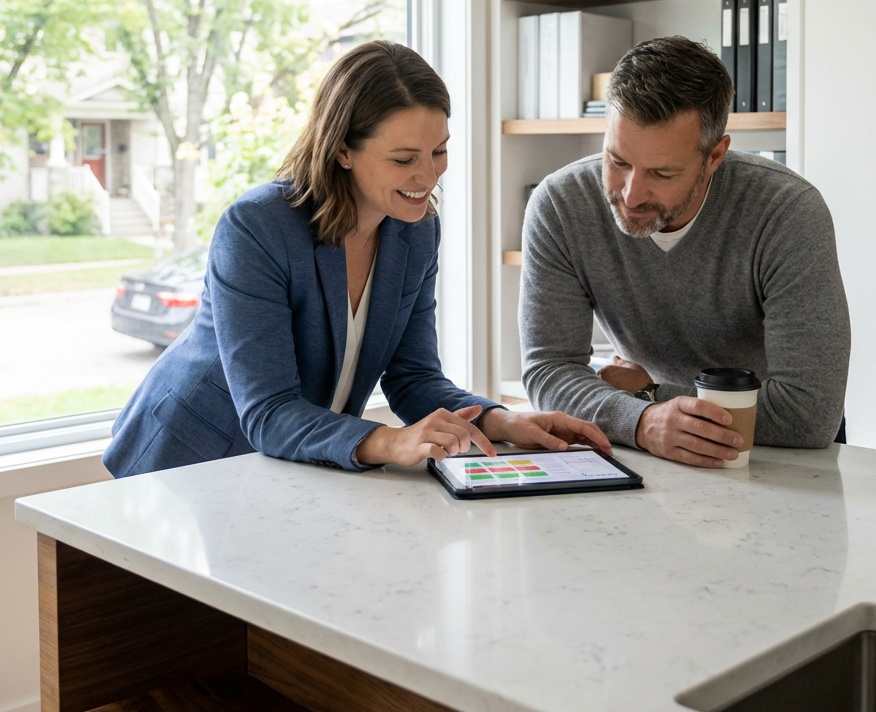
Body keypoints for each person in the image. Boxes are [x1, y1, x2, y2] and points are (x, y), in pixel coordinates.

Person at [105, 41, 609, 477]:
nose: (428, 176)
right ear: (343, 149)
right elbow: (268, 412)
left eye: (439, 152)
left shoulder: (416, 232)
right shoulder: (256, 228)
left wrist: (503, 422)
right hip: (185, 462)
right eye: (403, 159)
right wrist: (392, 441)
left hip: (288, 466)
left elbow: (414, 379)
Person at [519, 35, 851, 469]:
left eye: (662, 173)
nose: (631, 195)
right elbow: (549, 371)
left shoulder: (787, 213)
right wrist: (643, 421)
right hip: (649, 448)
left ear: (715, 156)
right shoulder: (560, 206)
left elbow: (807, 414)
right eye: (617, 161)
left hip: (778, 455)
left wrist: (651, 395)